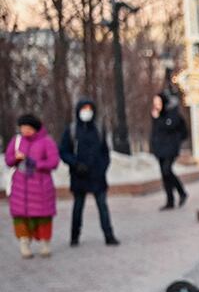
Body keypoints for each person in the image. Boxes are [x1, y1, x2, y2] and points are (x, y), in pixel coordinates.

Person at [59, 99, 119, 246]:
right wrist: (75, 164)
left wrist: (103, 167)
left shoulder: (98, 129)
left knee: (102, 206)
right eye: (83, 109)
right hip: (79, 175)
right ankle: (74, 236)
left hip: (97, 175)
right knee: (78, 207)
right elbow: (63, 151)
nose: (87, 112)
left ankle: (109, 235)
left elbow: (105, 152)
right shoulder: (72, 130)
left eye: (89, 108)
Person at [5, 114, 60, 258]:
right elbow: (8, 160)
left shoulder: (46, 142)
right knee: (20, 216)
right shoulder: (16, 141)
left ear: (35, 129)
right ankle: (24, 243)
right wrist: (15, 158)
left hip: (41, 186)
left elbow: (54, 162)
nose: (25, 131)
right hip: (20, 187)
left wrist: (36, 163)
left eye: (28, 128)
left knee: (43, 216)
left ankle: (44, 243)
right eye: (23, 128)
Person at [150, 89, 189, 210]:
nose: (156, 105)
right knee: (164, 174)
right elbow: (155, 132)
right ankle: (170, 200)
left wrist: (176, 141)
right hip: (160, 148)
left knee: (167, 170)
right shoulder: (157, 114)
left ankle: (182, 192)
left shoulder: (172, 113)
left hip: (170, 148)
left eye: (158, 102)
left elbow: (173, 127)